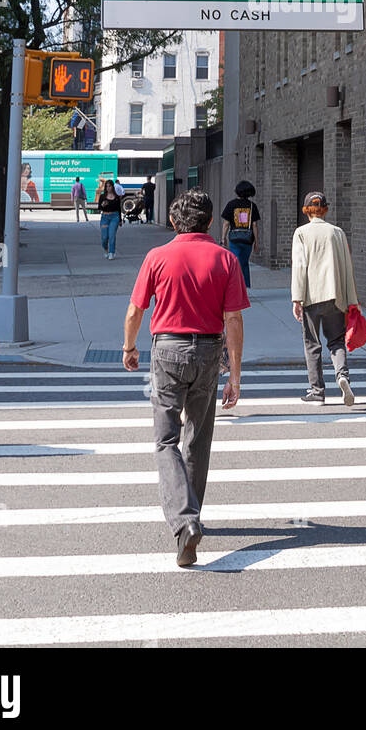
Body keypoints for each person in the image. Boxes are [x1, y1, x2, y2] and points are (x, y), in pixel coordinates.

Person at [122, 188, 248, 567]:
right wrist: (236, 374)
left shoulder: (157, 257)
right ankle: (191, 518)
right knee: (198, 439)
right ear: (211, 221)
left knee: (165, 442)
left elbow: (135, 310)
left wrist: (129, 348)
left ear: (174, 222)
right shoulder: (226, 260)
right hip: (210, 351)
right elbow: (235, 319)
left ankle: (184, 522)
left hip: (168, 350)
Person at [291, 191, 358, 406]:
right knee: (337, 341)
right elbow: (347, 268)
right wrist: (351, 300)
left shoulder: (301, 233)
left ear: (306, 211)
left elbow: (300, 267)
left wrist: (297, 298)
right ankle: (342, 375)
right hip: (336, 296)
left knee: (312, 344)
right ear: (325, 209)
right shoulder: (337, 233)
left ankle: (317, 392)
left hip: (311, 297)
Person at [220, 180, 260, 290]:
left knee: (236, 263)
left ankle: (237, 287)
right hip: (248, 239)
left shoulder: (231, 204)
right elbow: (255, 225)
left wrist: (223, 238)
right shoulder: (252, 206)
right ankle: (245, 287)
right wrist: (257, 242)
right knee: (244, 262)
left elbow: (226, 223)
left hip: (234, 238)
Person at [97, 178, 121, 259]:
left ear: (112, 187)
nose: (108, 188)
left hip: (115, 217)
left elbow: (119, 209)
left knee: (112, 235)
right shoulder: (102, 196)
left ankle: (111, 252)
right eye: (106, 186)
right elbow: (99, 208)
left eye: (109, 186)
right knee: (104, 237)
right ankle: (106, 249)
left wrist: (120, 220)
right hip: (105, 217)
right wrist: (102, 205)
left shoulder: (117, 197)